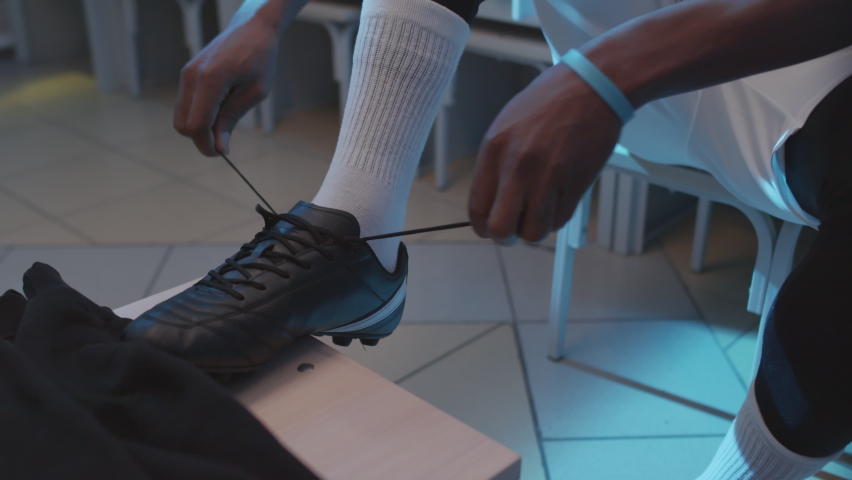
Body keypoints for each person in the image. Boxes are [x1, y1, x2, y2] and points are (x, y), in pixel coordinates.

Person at [123, 0, 852, 478]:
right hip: (614, 30)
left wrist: (609, 77)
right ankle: (357, 231)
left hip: (809, 65)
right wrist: (264, 16)